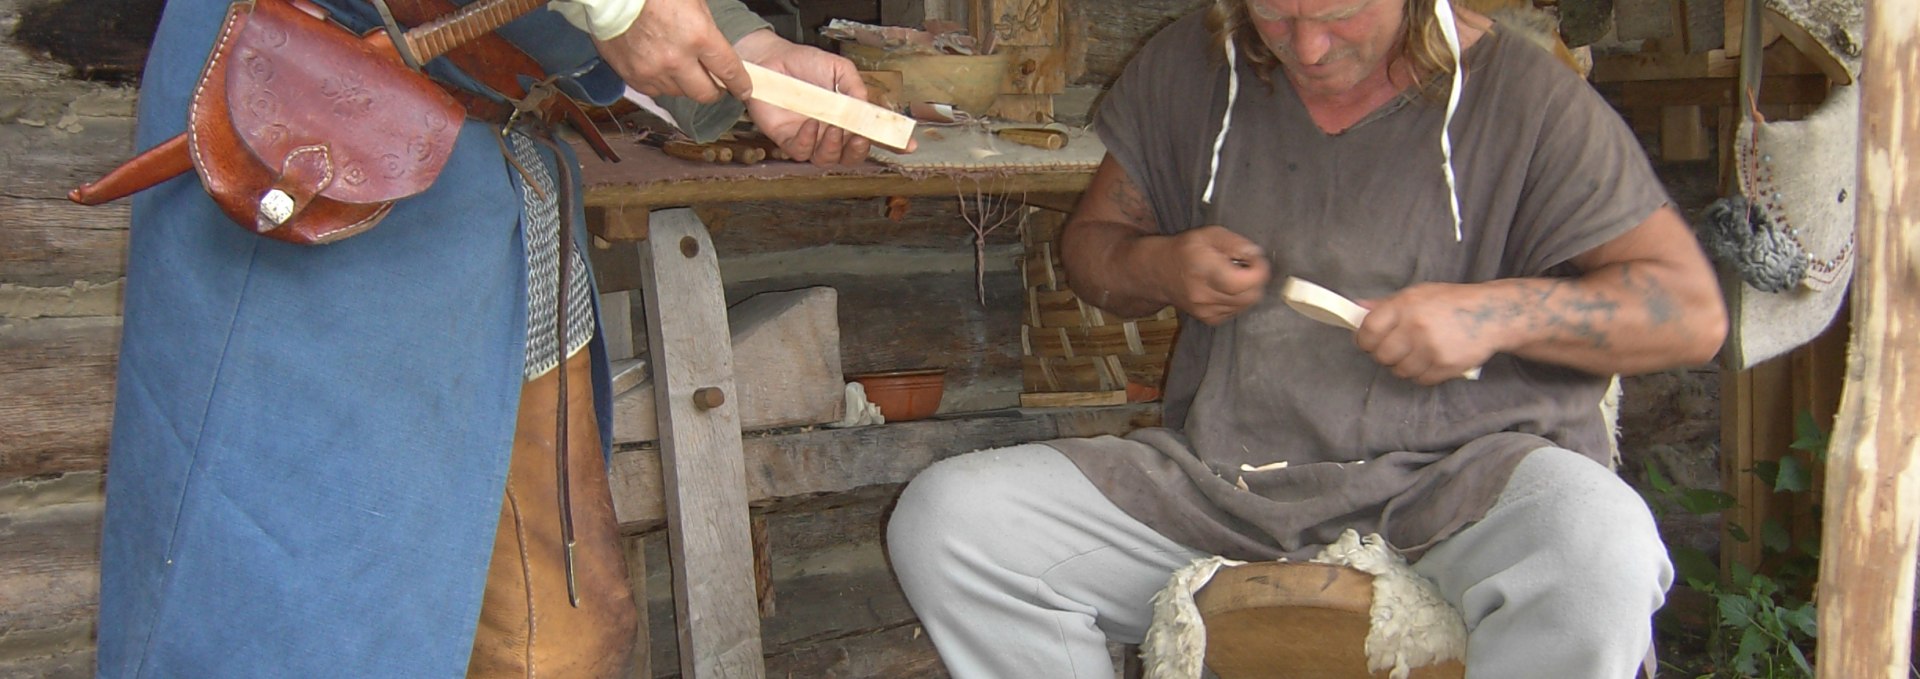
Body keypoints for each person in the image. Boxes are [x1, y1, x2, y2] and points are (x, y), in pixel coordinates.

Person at [886, 0, 1728, 677]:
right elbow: (1091, 251)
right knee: (950, 521)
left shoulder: (1525, 98)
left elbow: (1690, 311)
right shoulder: (1192, 66)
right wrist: (1161, 265)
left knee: (1599, 549)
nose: (1309, 48)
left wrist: (1495, 314)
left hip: (1466, 484)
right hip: (1226, 486)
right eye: (1276, 19)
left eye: (1338, 16)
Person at [96, 0, 878, 675]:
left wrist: (747, 51)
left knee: (564, 641)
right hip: (319, 123)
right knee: (294, 627)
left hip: (495, 159)